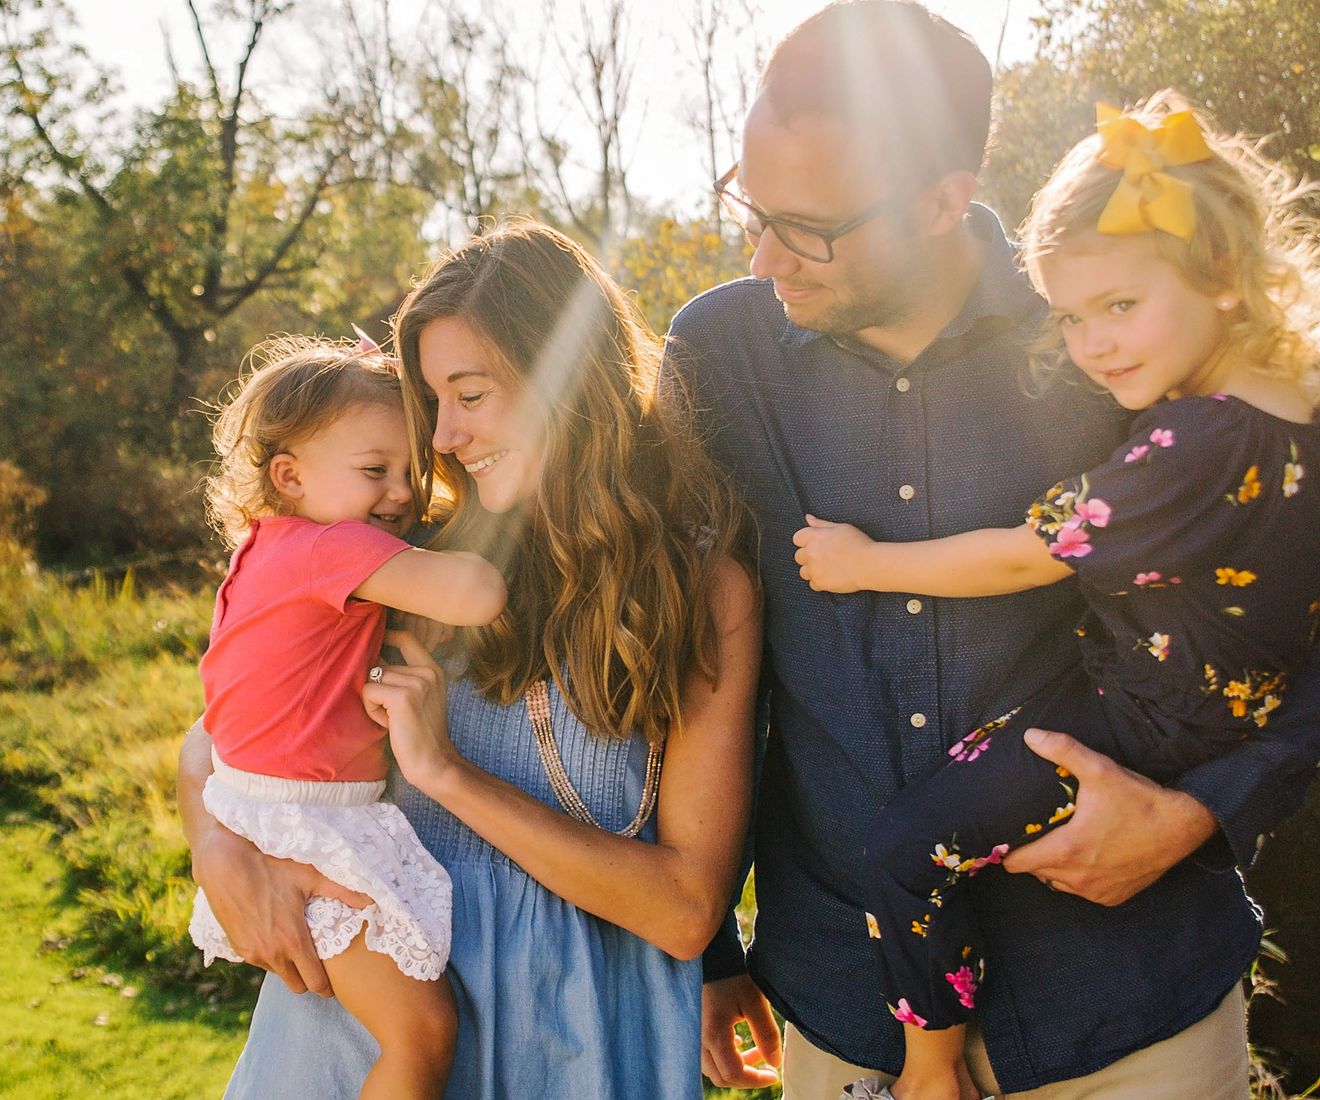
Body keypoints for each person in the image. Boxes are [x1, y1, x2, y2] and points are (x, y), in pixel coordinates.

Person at [668, 3, 1320, 1097]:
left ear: (942, 201)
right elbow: (686, 652)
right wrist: (710, 948)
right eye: (752, 206)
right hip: (847, 1011)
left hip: (1133, 1000)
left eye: (810, 225)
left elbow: (1295, 599)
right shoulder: (717, 355)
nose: (764, 252)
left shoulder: (1118, 330)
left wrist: (1202, 810)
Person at [178, 219, 761, 1099]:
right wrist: (217, 846)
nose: (442, 437)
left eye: (471, 394)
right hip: (364, 1036)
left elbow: (684, 913)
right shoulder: (415, 563)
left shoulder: (702, 591)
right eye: (431, 402)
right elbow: (222, 729)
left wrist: (445, 774)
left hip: (578, 1034)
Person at [190, 337, 509, 1098]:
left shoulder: (264, 549)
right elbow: (478, 595)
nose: (401, 495)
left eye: (411, 473)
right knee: (422, 1035)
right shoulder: (327, 550)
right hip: (310, 826)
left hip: (275, 808)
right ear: (290, 476)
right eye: (376, 472)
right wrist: (482, 532)